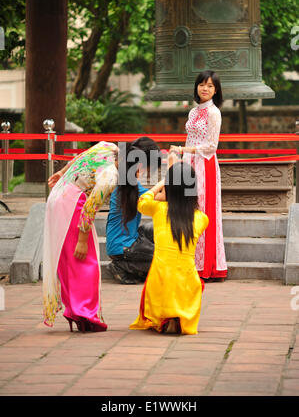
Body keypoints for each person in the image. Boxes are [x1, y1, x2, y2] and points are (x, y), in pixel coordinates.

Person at [43, 141, 118, 332]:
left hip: (59, 194)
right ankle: (84, 313)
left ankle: (74, 310)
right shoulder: (110, 175)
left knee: (68, 258)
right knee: (85, 259)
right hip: (73, 202)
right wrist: (83, 241)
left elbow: (79, 158)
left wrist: (62, 173)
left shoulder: (107, 146)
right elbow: (90, 207)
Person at [130, 160, 209, 335]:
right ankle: (178, 315)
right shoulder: (202, 219)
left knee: (160, 276)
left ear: (168, 188)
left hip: (161, 279)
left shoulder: (158, 208)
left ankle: (165, 315)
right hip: (188, 283)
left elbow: (142, 201)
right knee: (185, 279)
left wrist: (160, 185)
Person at [170, 70, 227, 282]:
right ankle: (190, 263)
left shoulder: (214, 113)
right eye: (202, 84)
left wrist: (185, 151)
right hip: (188, 163)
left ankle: (208, 266)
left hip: (205, 164)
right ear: (196, 86)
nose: (205, 89)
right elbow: (190, 138)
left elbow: (212, 146)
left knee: (203, 211)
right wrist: (182, 157)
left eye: (210, 86)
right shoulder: (193, 112)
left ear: (216, 90)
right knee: (187, 209)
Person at [106, 137, 162, 284]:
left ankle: (133, 269)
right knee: (163, 260)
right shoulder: (126, 187)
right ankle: (121, 266)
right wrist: (168, 179)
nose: (147, 172)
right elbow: (160, 196)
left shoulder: (129, 185)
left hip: (129, 240)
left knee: (155, 230)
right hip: (122, 247)